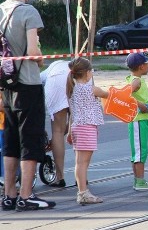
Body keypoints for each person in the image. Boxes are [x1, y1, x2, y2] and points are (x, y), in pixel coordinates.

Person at [1, 0, 54, 212]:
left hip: (6, 83)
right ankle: (26, 195)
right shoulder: (28, 11)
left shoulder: (1, 9)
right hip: (28, 83)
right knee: (30, 139)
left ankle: (9, 194)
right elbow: (33, 52)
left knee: (10, 139)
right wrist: (41, 58)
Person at [66, 57, 108, 205]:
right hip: (87, 127)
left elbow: (72, 113)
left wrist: (70, 131)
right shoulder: (91, 89)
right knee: (84, 163)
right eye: (91, 70)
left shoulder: (72, 89)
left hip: (77, 126)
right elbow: (108, 95)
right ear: (87, 73)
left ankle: (82, 191)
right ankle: (83, 192)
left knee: (79, 162)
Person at [126, 53, 148, 191]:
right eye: (147, 64)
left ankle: (138, 180)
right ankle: (140, 182)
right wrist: (141, 105)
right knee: (140, 151)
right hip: (138, 120)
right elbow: (125, 95)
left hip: (141, 120)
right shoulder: (137, 81)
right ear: (141, 66)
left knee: (139, 150)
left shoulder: (136, 76)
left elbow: (147, 64)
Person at [40, 59, 70, 187]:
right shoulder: (80, 66)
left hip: (55, 80)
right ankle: (82, 176)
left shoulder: (45, 74)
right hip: (80, 75)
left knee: (57, 130)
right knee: (80, 125)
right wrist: (68, 128)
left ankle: (60, 177)